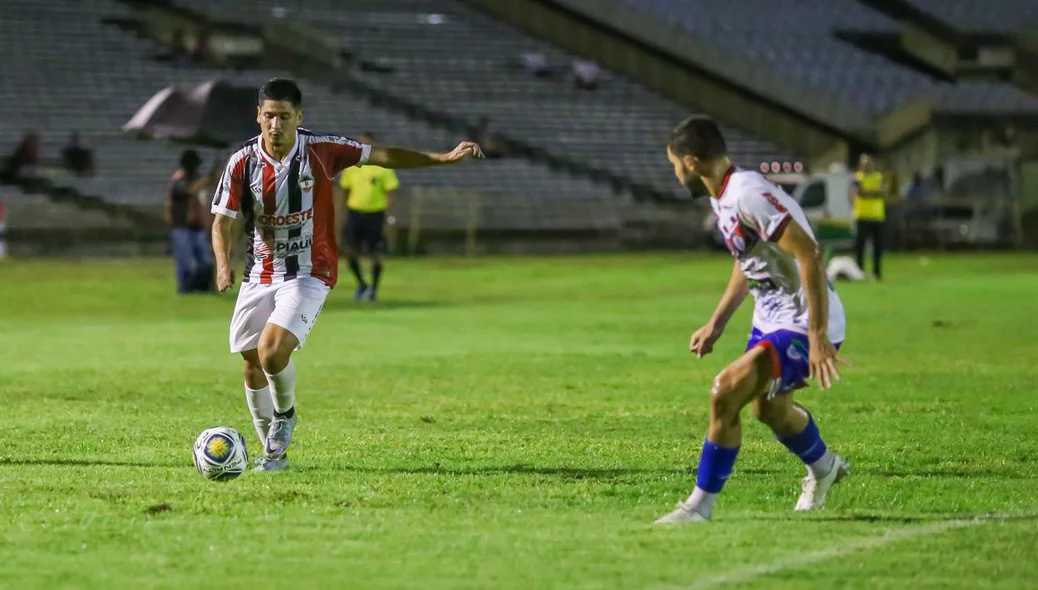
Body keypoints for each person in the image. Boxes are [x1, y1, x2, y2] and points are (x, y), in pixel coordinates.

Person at [210, 78, 483, 472]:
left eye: (284, 117)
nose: (276, 125)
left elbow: (381, 155)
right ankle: (274, 455)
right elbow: (222, 221)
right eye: (269, 116)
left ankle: (285, 416)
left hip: (310, 269)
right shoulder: (242, 162)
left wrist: (440, 158)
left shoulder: (322, 150)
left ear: (299, 117)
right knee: (251, 363)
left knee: (272, 351)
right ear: (258, 116)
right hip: (260, 272)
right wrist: (223, 264)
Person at [655, 115, 850, 524]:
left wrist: (816, 334)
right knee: (770, 412)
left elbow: (811, 254)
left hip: (804, 319)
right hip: (772, 318)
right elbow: (748, 260)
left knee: (725, 391)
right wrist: (718, 321)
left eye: (674, 165)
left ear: (691, 161)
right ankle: (826, 467)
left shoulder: (748, 195)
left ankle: (698, 508)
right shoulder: (722, 194)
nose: (675, 174)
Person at [338, 132, 398, 302]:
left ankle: (374, 290)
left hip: (376, 215)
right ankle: (362, 284)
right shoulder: (351, 166)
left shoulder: (383, 167)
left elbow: (390, 194)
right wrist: (340, 215)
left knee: (376, 254)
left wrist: (389, 218)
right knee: (349, 251)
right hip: (355, 213)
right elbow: (344, 191)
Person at [166, 149, 213, 294]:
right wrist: (206, 180)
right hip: (181, 225)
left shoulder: (197, 178)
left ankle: (202, 287)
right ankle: (185, 288)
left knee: (204, 260)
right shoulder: (179, 179)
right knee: (185, 262)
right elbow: (189, 191)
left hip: (197, 225)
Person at [851, 153, 887, 280]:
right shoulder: (856, 177)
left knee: (878, 247)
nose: (866, 166)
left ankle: (877, 273)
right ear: (861, 164)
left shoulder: (878, 177)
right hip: (862, 216)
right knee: (860, 247)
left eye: (868, 163)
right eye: (864, 163)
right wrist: (874, 192)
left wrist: (869, 192)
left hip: (877, 216)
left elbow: (883, 192)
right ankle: (859, 272)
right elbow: (860, 193)